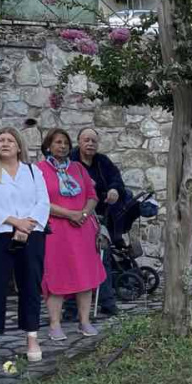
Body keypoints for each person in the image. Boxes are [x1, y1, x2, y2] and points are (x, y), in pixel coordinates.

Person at [0, 127, 50, 366]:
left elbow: (43, 201)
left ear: (18, 146)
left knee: (30, 285)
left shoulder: (33, 171)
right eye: (0, 140)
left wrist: (27, 225)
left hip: (31, 234)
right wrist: (15, 222)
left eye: (10, 140)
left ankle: (32, 336)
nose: (5, 144)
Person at [37, 128, 106, 341]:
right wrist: (70, 214)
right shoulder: (39, 170)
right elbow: (40, 201)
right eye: (58, 142)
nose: (63, 146)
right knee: (57, 275)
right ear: (48, 146)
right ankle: (55, 323)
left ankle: (84, 321)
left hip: (82, 229)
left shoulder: (78, 168)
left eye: (66, 143)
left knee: (85, 275)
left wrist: (83, 213)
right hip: (56, 232)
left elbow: (92, 195)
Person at [71, 126, 126, 316]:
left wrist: (114, 189)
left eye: (93, 141)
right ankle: (71, 307)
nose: (90, 144)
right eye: (86, 140)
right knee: (74, 260)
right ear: (79, 142)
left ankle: (107, 301)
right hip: (75, 216)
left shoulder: (102, 161)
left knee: (103, 256)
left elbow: (117, 180)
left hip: (100, 216)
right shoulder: (70, 161)